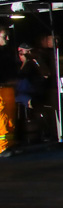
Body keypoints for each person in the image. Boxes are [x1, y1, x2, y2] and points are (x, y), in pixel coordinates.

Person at [0, 28, 18, 156]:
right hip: (1, 88)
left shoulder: (6, 52)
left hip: (8, 87)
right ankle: (2, 147)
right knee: (2, 118)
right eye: (4, 36)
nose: (8, 38)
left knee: (10, 117)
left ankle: (10, 144)